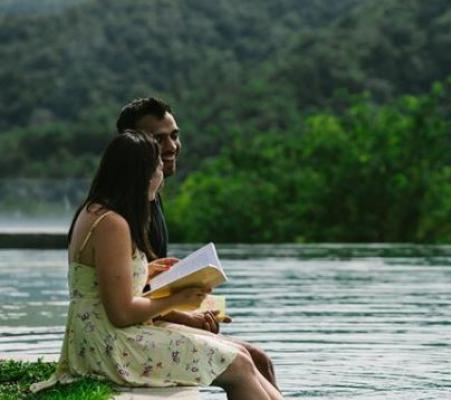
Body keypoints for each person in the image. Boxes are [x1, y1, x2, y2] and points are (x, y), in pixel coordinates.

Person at [31, 131, 283, 400]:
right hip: (109, 346)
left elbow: (98, 280)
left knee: (244, 356)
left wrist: (145, 271)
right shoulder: (112, 223)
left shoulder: (97, 211)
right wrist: (177, 298)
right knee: (239, 364)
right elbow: (122, 313)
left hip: (106, 336)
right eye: (159, 169)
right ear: (142, 175)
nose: (162, 179)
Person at [116, 97, 279, 390]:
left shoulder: (151, 198)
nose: (172, 147)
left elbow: (140, 284)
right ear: (134, 145)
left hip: (150, 319)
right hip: (134, 333)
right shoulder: (122, 211)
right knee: (250, 359)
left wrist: (191, 305)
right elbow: (120, 302)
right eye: (158, 139)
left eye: (174, 136)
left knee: (261, 360)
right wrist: (188, 316)